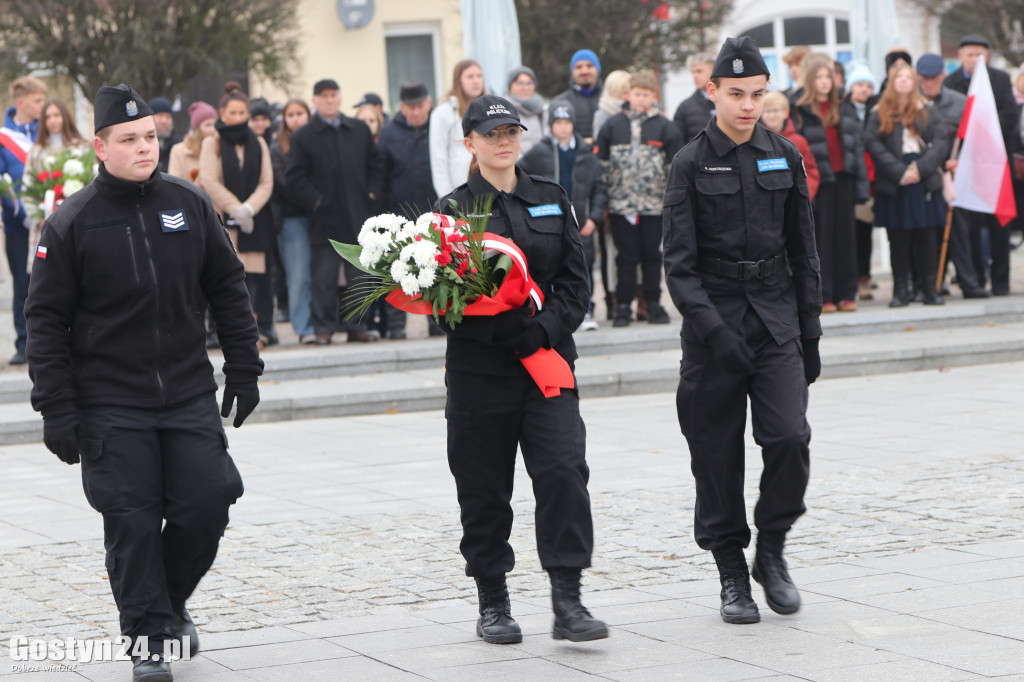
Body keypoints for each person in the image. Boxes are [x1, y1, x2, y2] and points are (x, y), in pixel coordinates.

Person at [25, 83, 262, 681]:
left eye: (150, 137)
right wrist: (56, 409)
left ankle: (165, 603)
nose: (143, 147)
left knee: (208, 505)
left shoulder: (188, 201)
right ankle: (150, 639)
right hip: (110, 403)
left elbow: (227, 287)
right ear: (100, 147)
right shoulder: (72, 222)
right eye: (128, 139)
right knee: (130, 521)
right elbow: (45, 322)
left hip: (186, 392)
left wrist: (243, 365)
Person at [663, 36, 821, 626]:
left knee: (789, 438)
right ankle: (732, 569)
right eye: (737, 94)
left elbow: (805, 252)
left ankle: (772, 548)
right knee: (715, 454)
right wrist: (712, 329)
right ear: (712, 93)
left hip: (776, 318)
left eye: (758, 93)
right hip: (714, 328)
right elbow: (678, 265)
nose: (749, 105)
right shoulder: (688, 162)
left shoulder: (783, 155)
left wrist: (810, 335)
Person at [438, 94, 606, 645]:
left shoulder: (551, 199)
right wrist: (494, 331)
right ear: (471, 144)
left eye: (511, 131)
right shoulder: (452, 211)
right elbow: (442, 303)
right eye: (491, 134)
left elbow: (576, 285)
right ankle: (493, 602)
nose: (504, 141)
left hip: (546, 364)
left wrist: (541, 329)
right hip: (480, 373)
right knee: (483, 486)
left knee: (563, 471)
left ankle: (568, 599)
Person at [286, 78, 385, 344]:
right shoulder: (303, 136)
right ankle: (323, 329)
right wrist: (315, 201)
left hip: (358, 215)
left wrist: (371, 194)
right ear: (315, 100)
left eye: (333, 95)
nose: (329, 100)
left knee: (359, 274)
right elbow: (294, 177)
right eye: (324, 96)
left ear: (340, 97)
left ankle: (358, 327)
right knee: (323, 277)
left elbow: (376, 166)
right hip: (324, 218)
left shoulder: (358, 129)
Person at [596, 70, 683, 327]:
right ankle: (622, 305)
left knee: (652, 255)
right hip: (621, 204)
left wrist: (671, 202)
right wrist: (603, 202)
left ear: (653, 96)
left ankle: (654, 304)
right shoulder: (612, 125)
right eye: (637, 94)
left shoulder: (665, 128)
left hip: (654, 205)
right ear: (628, 94)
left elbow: (674, 168)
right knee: (625, 256)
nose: (641, 100)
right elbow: (600, 166)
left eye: (646, 95)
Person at [198, 82, 278, 346]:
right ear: (222, 112)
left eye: (242, 113)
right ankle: (221, 330)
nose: (237, 118)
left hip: (253, 222)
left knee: (258, 279)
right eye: (232, 112)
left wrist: (249, 208)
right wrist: (234, 208)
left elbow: (267, 182)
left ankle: (264, 327)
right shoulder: (213, 143)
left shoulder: (259, 143)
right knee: (226, 277)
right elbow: (208, 179)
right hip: (224, 222)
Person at [519, 100, 607, 330]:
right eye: (558, 122)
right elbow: (520, 176)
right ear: (551, 125)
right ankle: (557, 313)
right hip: (550, 221)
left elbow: (599, 187)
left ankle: (585, 311)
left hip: (581, 221)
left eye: (567, 122)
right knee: (554, 266)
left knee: (583, 265)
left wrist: (594, 218)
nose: (563, 127)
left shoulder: (587, 152)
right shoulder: (540, 151)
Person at [866, 65, 950, 308]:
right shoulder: (879, 111)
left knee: (926, 237)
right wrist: (900, 172)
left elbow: (941, 142)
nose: (904, 81)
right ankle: (901, 290)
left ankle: (929, 289)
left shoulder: (927, 110)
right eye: (899, 77)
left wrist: (919, 170)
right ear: (891, 82)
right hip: (895, 180)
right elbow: (872, 143)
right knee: (899, 239)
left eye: (908, 77)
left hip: (923, 179)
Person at [793, 52, 868, 313]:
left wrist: (861, 186)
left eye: (828, 77)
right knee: (821, 240)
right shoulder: (800, 109)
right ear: (810, 80)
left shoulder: (844, 107)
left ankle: (847, 295)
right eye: (819, 77)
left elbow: (856, 147)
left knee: (846, 239)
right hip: (819, 183)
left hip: (843, 179)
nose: (825, 82)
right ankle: (823, 296)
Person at [945, 34, 1017, 296]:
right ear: (960, 56)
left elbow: (1010, 114)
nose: (976, 60)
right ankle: (974, 279)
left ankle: (1001, 281)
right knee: (971, 226)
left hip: (996, 163)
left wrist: (985, 131)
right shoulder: (951, 83)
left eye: (980, 54)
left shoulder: (1000, 79)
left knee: (1000, 224)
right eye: (970, 54)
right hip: (966, 165)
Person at [917, 53, 990, 299]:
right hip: (922, 174)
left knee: (959, 230)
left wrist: (960, 161)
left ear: (942, 75)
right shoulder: (909, 102)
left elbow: (973, 139)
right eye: (925, 79)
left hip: (952, 174)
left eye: (934, 78)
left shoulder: (959, 103)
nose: (929, 83)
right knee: (926, 232)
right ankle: (928, 285)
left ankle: (968, 282)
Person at [0, 76, 46, 366]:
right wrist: (21, 210)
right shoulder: (4, 138)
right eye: (38, 101)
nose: (44, 106)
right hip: (19, 227)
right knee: (23, 284)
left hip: (51, 222)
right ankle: (23, 343)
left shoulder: (47, 131)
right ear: (22, 102)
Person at [22, 98, 89, 275]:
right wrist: (40, 217)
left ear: (64, 116)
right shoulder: (36, 152)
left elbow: (92, 181)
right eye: (48, 116)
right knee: (49, 275)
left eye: (57, 115)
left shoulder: (82, 147)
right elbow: (27, 190)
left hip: (79, 222)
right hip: (47, 224)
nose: (53, 120)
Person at [271, 98, 317, 344]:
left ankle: (323, 322)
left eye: (300, 113)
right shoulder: (277, 148)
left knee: (322, 274)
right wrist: (315, 197)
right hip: (292, 218)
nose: (296, 118)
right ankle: (303, 326)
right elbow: (285, 184)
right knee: (299, 276)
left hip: (320, 216)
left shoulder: (318, 141)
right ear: (284, 119)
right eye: (291, 114)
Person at [843, 63, 879, 301]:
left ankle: (864, 276)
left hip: (873, 179)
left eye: (868, 85)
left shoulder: (877, 112)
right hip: (851, 178)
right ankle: (851, 278)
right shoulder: (843, 111)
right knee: (850, 232)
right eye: (859, 84)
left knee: (865, 232)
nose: (864, 90)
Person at [431, 59, 486, 197]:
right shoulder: (444, 111)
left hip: (487, 185)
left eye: (479, 76)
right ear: (458, 80)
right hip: (458, 187)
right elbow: (438, 157)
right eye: (470, 76)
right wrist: (446, 197)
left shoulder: (489, 109)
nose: (476, 81)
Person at [759, 92, 820, 200]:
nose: (772, 115)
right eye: (767, 111)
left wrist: (803, 196)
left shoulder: (798, 141)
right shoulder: (756, 141)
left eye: (776, 110)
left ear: (786, 113)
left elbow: (810, 172)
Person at [553, 49, 603, 142]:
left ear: (598, 69)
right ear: (572, 72)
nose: (584, 71)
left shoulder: (609, 100)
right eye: (579, 67)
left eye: (589, 65)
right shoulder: (560, 102)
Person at [168, 101, 218, 185]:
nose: (213, 129)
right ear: (197, 129)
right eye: (208, 125)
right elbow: (175, 184)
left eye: (215, 124)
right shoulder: (178, 151)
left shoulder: (220, 148)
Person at [673, 52, 716, 145]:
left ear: (713, 71)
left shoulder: (729, 101)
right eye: (693, 72)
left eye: (699, 71)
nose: (695, 76)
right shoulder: (685, 107)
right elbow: (677, 144)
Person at [505, 66, 546, 154]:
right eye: (520, 83)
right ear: (510, 85)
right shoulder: (504, 110)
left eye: (530, 83)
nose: (525, 87)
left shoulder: (542, 109)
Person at [592, 69, 631, 140]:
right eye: (624, 93)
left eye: (630, 92)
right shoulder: (603, 114)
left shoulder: (633, 111)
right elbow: (599, 140)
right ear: (613, 92)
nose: (628, 97)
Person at [149, 96, 181, 173]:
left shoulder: (179, 144)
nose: (164, 121)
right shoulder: (142, 145)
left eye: (168, 117)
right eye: (160, 116)